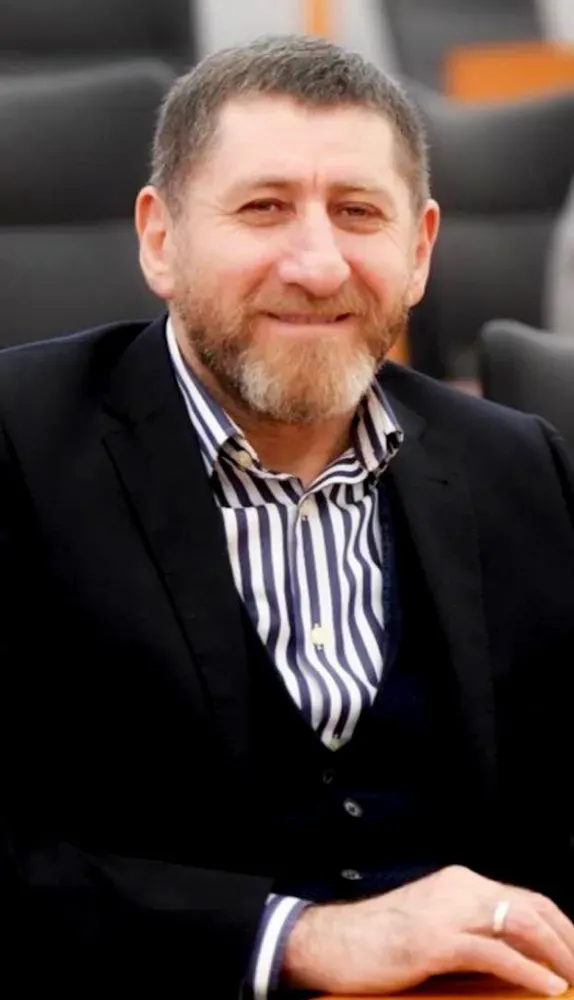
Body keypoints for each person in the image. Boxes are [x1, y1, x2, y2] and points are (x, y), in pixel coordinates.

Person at [0, 34, 573, 999]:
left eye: (358, 212)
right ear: (160, 239)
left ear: (420, 250)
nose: (316, 264)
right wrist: (294, 940)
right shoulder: (16, 446)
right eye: (264, 208)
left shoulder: (519, 469)